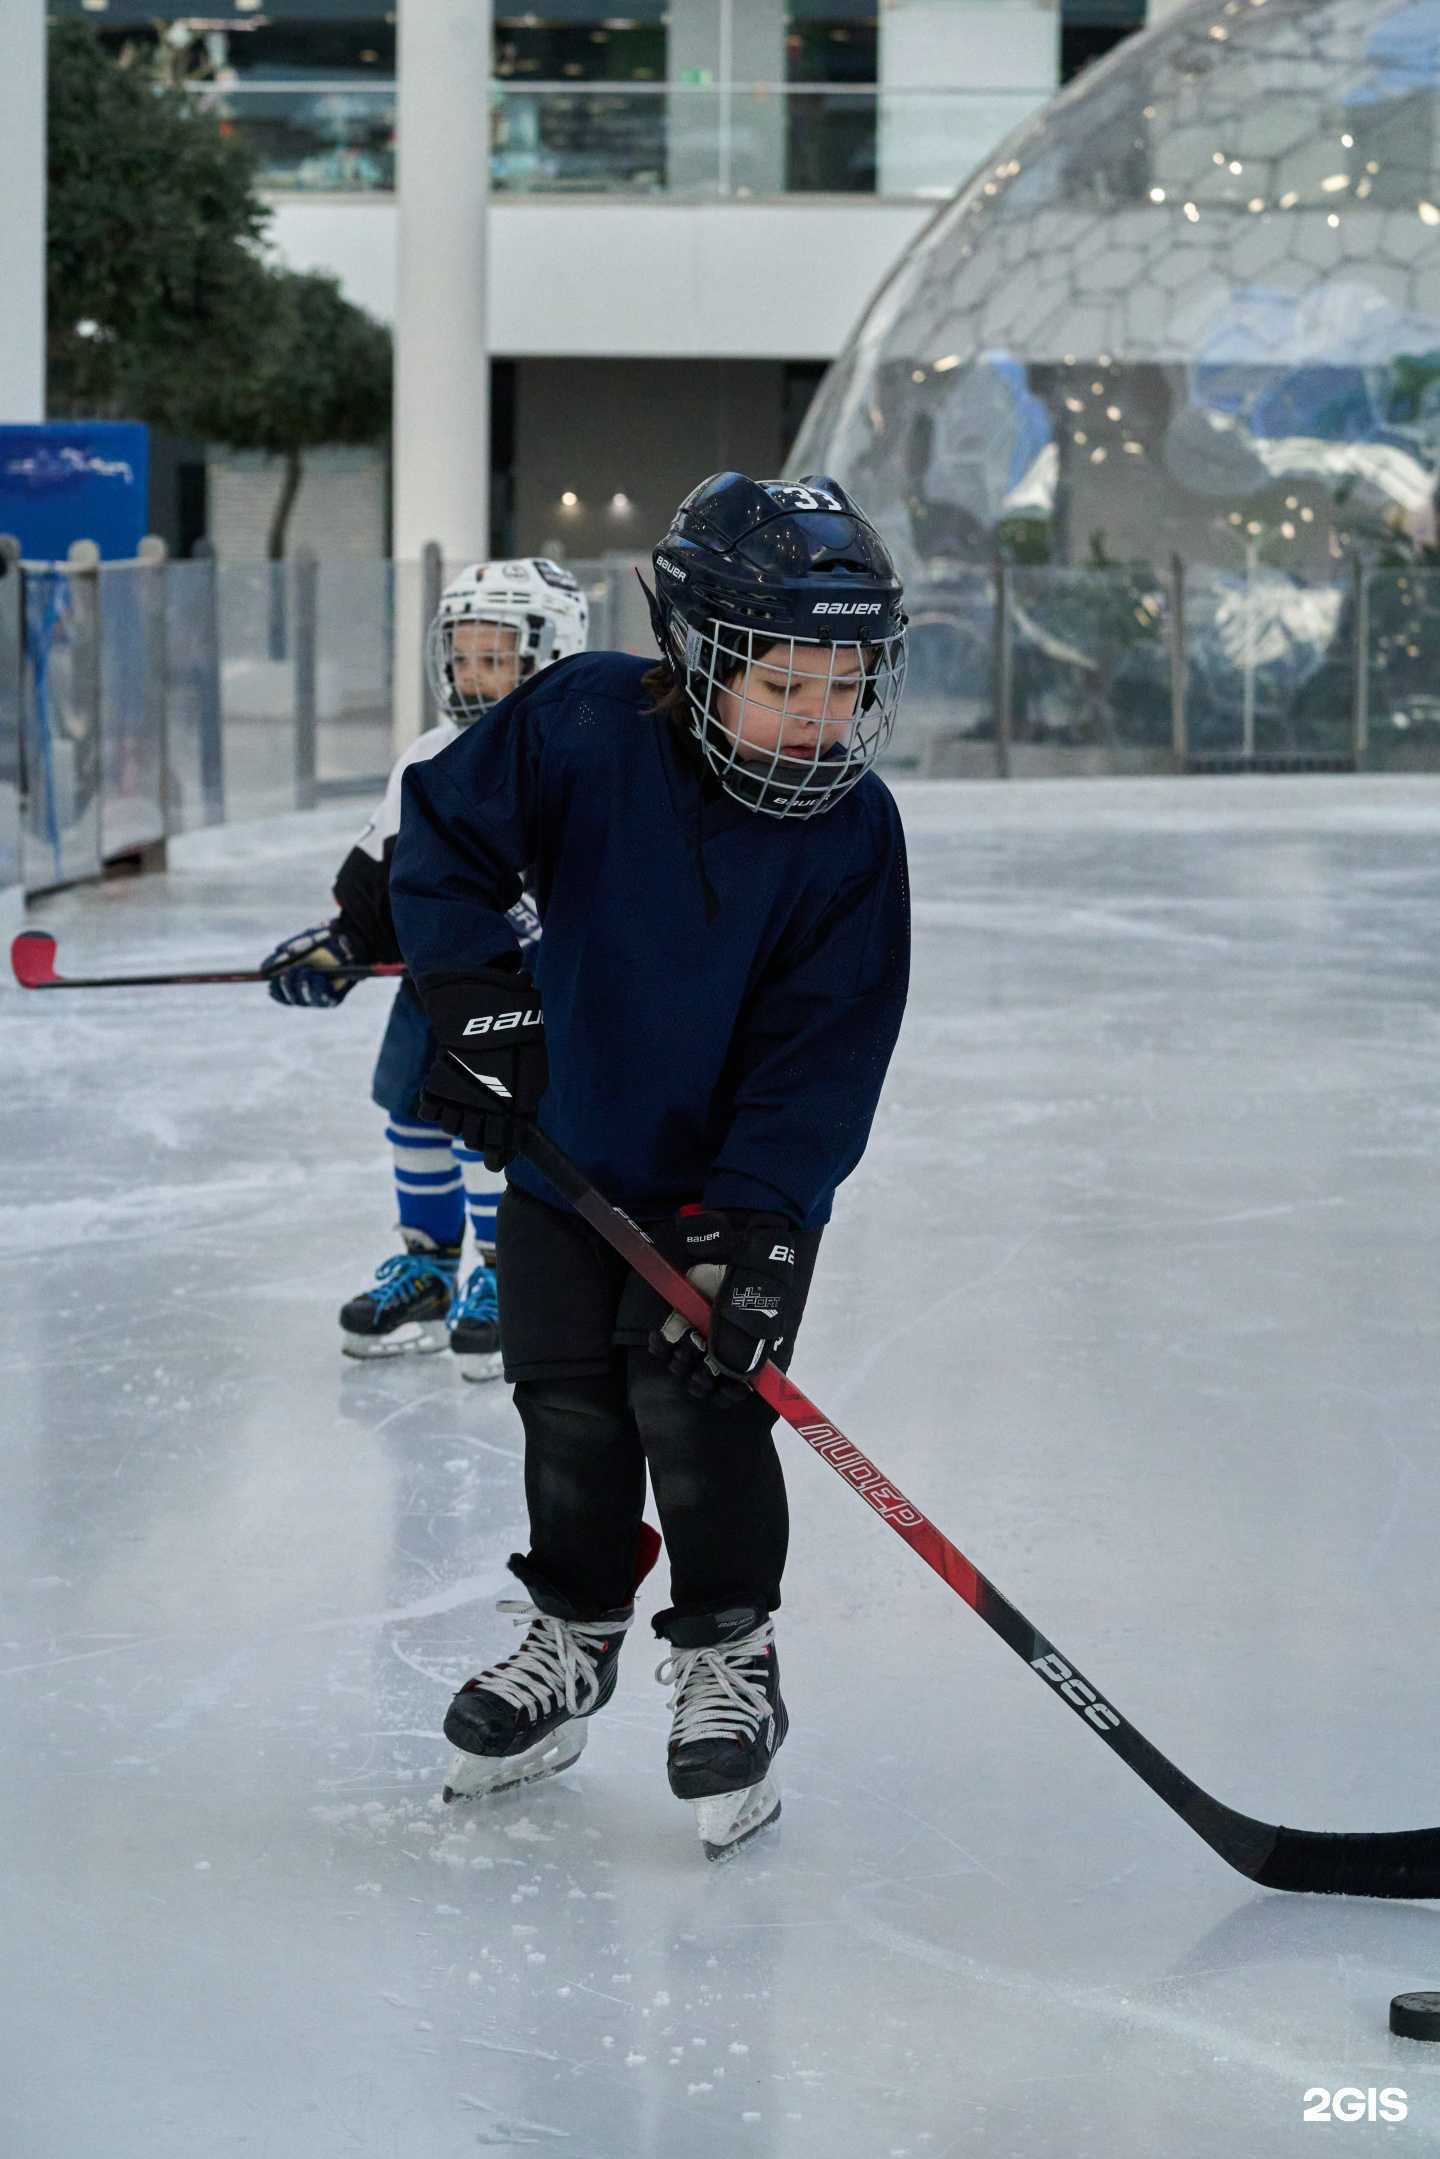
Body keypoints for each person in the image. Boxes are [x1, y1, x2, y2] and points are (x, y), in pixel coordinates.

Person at [391, 473, 910, 1856]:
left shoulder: (851, 832)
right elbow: (441, 833)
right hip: (574, 1150)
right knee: (563, 1396)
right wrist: (476, 997)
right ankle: (573, 1628)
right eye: (785, 684)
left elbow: (827, 1048)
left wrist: (763, 1217)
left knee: (698, 1409)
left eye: (846, 684)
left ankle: (730, 1650)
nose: (821, 718)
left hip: (733, 1182)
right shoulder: (580, 724)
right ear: (695, 654)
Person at [260, 558, 588, 1376]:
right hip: (432, 982)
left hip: (522, 991)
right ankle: (430, 1268)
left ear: (549, 658)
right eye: (463, 656)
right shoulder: (432, 755)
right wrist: (341, 943)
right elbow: (382, 865)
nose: (472, 676)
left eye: (496, 657)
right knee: (412, 1112)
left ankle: (502, 1273)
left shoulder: (578, 752)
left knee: (488, 1127)